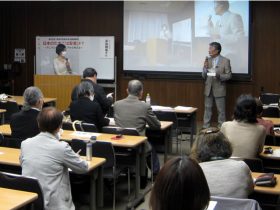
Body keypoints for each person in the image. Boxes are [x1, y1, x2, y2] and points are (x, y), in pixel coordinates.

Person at [20, 107, 88, 210]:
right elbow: (83, 168)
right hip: (55, 205)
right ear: (60, 126)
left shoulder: (25, 143)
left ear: (38, 123)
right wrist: (74, 158)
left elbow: (22, 163)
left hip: (32, 203)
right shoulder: (62, 147)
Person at [191, 127, 254, 198]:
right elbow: (250, 190)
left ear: (197, 148)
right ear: (226, 144)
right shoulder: (241, 166)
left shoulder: (195, 171)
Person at [114, 80, 161, 175]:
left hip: (119, 143)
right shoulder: (144, 106)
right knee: (150, 147)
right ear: (141, 92)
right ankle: (156, 175)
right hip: (138, 145)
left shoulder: (117, 104)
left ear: (127, 91)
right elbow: (157, 125)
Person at [221, 94, 266, 158]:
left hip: (226, 165)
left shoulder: (225, 125)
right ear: (255, 111)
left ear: (236, 110)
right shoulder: (261, 129)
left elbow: (221, 149)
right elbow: (259, 151)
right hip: (250, 166)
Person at [202, 42, 232, 128]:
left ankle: (221, 128)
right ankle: (205, 127)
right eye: (209, 48)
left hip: (219, 88)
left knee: (221, 111)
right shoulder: (208, 60)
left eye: (211, 49)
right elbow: (204, 76)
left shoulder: (225, 61)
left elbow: (229, 75)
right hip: (208, 88)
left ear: (217, 50)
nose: (209, 50)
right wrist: (204, 68)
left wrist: (219, 76)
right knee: (207, 109)